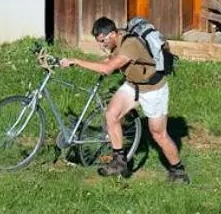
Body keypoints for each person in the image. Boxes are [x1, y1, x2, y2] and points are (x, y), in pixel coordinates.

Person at [61, 17, 188, 183]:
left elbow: (107, 68)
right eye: (99, 42)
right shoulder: (117, 41)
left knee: (158, 134)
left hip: (153, 90)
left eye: (103, 41)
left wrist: (77, 61)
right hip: (132, 85)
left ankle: (178, 171)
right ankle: (119, 161)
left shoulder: (130, 44)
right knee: (111, 115)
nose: (102, 45)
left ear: (113, 34)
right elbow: (110, 62)